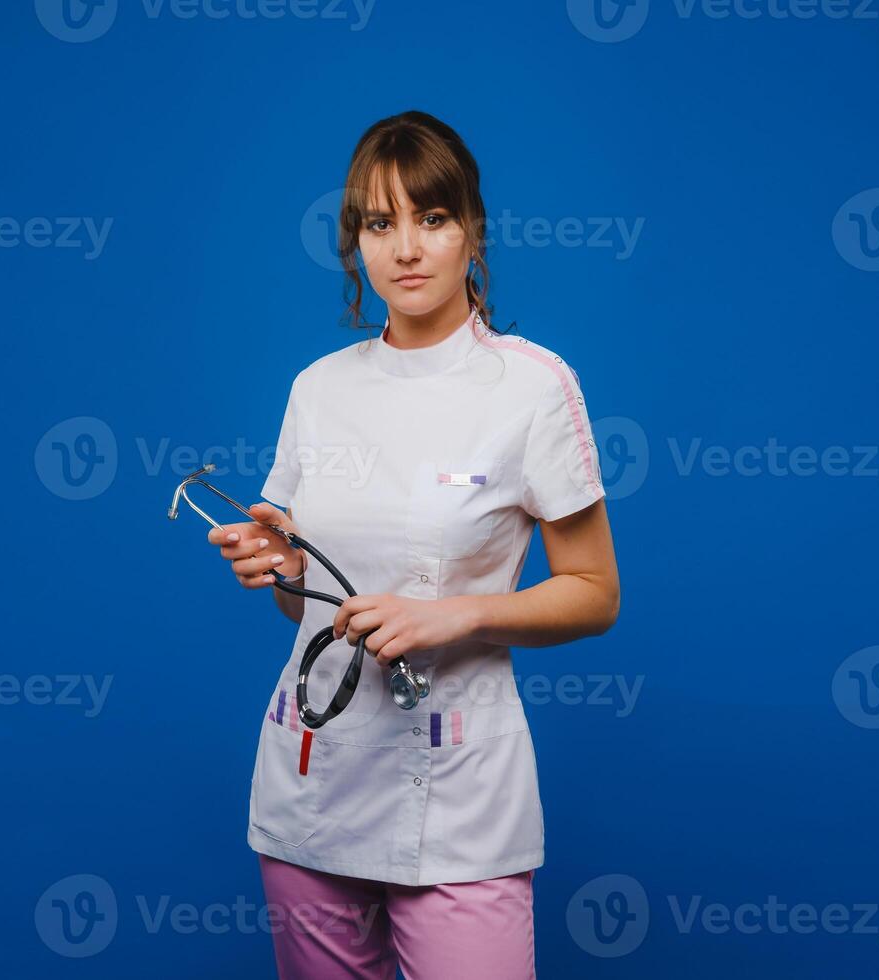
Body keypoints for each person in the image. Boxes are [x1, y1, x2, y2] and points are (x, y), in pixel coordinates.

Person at [206, 110, 621, 980]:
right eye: (378, 222)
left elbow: (593, 590)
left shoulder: (534, 388)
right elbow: (303, 597)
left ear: (472, 230)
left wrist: (453, 617)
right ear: (355, 242)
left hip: (461, 790)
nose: (406, 248)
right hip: (315, 780)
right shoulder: (320, 389)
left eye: (431, 218)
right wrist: (282, 567)